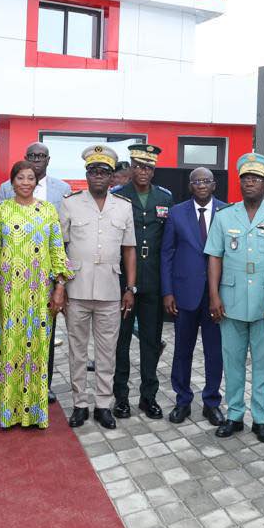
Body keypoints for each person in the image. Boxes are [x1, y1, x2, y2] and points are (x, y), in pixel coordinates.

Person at [205, 153, 264, 442]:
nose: (249, 183)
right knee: (232, 362)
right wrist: (214, 296)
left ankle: (260, 418)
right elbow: (215, 258)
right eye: (245, 178)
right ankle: (234, 415)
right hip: (230, 302)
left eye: (256, 178)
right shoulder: (224, 216)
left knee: (263, 363)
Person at [0, 160, 71, 428]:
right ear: (12, 182)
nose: (26, 183)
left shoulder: (48, 211)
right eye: (20, 178)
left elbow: (57, 253)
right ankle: (8, 412)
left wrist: (60, 288)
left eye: (31, 178)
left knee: (37, 351)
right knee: (9, 349)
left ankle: (34, 413)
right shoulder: (1, 210)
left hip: (39, 295)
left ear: (36, 182)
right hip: (8, 295)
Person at [59, 145, 136, 429]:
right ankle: (80, 404)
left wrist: (130, 288)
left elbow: (129, 249)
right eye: (93, 171)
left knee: (107, 351)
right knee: (77, 350)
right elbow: (61, 248)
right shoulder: (70, 203)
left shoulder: (123, 207)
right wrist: (60, 286)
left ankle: (103, 404)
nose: (99, 177)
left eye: (104, 172)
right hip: (76, 290)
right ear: (87, 175)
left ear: (112, 177)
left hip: (110, 291)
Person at [0, 141, 72, 402]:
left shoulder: (62, 190)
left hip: (45, 276)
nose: (36, 160)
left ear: (48, 160)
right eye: (32, 156)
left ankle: (44, 386)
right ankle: (13, 391)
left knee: (44, 337)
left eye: (41, 156)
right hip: (11, 282)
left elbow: (62, 239)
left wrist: (60, 282)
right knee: (13, 338)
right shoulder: (5, 191)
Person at [162, 167, 227, 426]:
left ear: (214, 185)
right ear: (190, 186)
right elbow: (166, 253)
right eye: (196, 181)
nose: (201, 185)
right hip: (184, 293)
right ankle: (183, 400)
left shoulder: (227, 211)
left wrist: (223, 293)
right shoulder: (177, 212)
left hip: (215, 295)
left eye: (206, 181)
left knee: (214, 351)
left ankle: (211, 402)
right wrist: (167, 292)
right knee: (182, 350)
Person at [112, 144, 173, 420]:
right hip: (123, 281)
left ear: (154, 169)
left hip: (154, 281)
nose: (143, 171)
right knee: (122, 340)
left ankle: (148, 397)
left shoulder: (165, 197)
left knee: (150, 341)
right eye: (138, 165)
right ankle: (121, 398)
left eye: (148, 166)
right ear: (131, 167)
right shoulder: (118, 197)